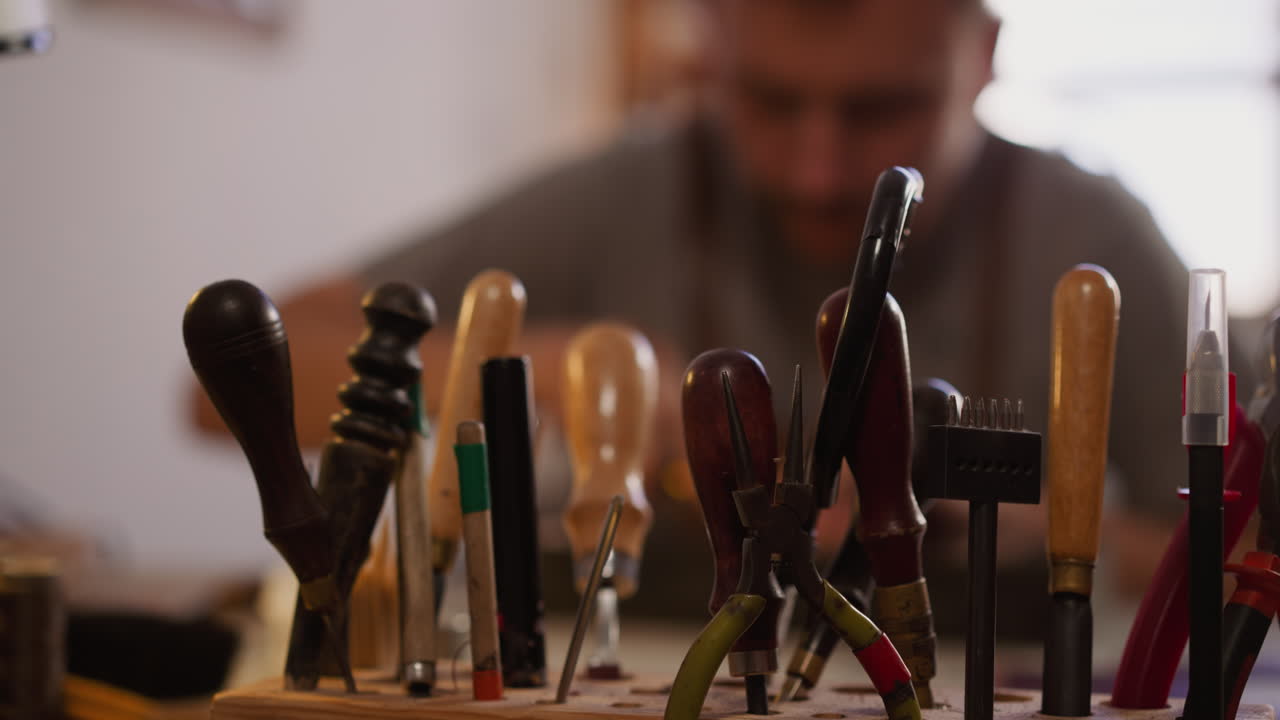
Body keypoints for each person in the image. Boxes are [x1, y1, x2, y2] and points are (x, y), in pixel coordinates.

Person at [191, 0, 1215, 635]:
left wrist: (1044, 534)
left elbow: (1238, 559)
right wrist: (553, 371)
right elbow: (225, 386)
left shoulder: (1097, 246)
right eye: (767, 101)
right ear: (712, 41)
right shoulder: (631, 185)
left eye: (877, 107)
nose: (816, 165)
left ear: (982, 53)